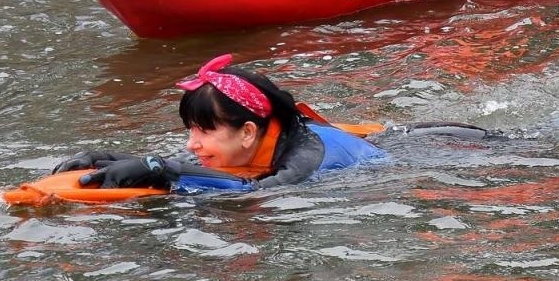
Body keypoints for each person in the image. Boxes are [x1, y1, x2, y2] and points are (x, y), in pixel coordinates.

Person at [51, 54, 387, 193]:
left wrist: (162, 171)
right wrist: (104, 155)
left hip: (417, 152)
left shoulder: (305, 158)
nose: (191, 144)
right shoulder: (243, 142)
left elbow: (256, 191)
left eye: (204, 131)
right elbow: (181, 164)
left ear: (248, 132)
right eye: (191, 130)